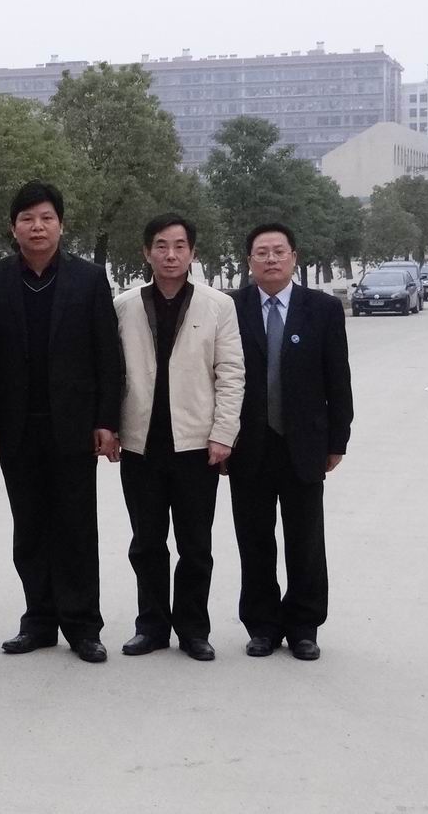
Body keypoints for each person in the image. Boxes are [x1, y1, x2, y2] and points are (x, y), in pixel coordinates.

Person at [0, 182, 122, 663]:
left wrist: (106, 420)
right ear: (13, 227)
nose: (37, 227)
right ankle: (38, 621)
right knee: (29, 527)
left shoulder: (88, 279)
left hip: (74, 425)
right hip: (16, 426)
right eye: (27, 218)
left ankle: (83, 625)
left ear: (61, 225)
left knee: (77, 527)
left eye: (46, 218)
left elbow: (107, 356)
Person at [115, 214, 244, 662]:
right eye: (161, 246)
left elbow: (231, 373)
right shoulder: (126, 305)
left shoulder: (217, 305)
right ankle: (150, 626)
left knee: (195, 545)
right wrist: (110, 429)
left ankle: (193, 629)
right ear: (146, 252)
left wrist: (223, 434)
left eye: (180, 246)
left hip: (196, 445)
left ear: (192, 252)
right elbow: (112, 372)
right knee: (146, 542)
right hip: (141, 445)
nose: (171, 255)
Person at [228, 222, 353, 661]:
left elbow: (338, 378)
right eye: (261, 252)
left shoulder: (322, 309)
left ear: (294, 257)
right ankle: (261, 625)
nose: (271, 259)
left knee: (306, 541)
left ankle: (304, 627)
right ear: (249, 261)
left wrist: (338, 439)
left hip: (304, 445)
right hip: (248, 445)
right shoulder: (231, 308)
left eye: (279, 251)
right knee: (254, 540)